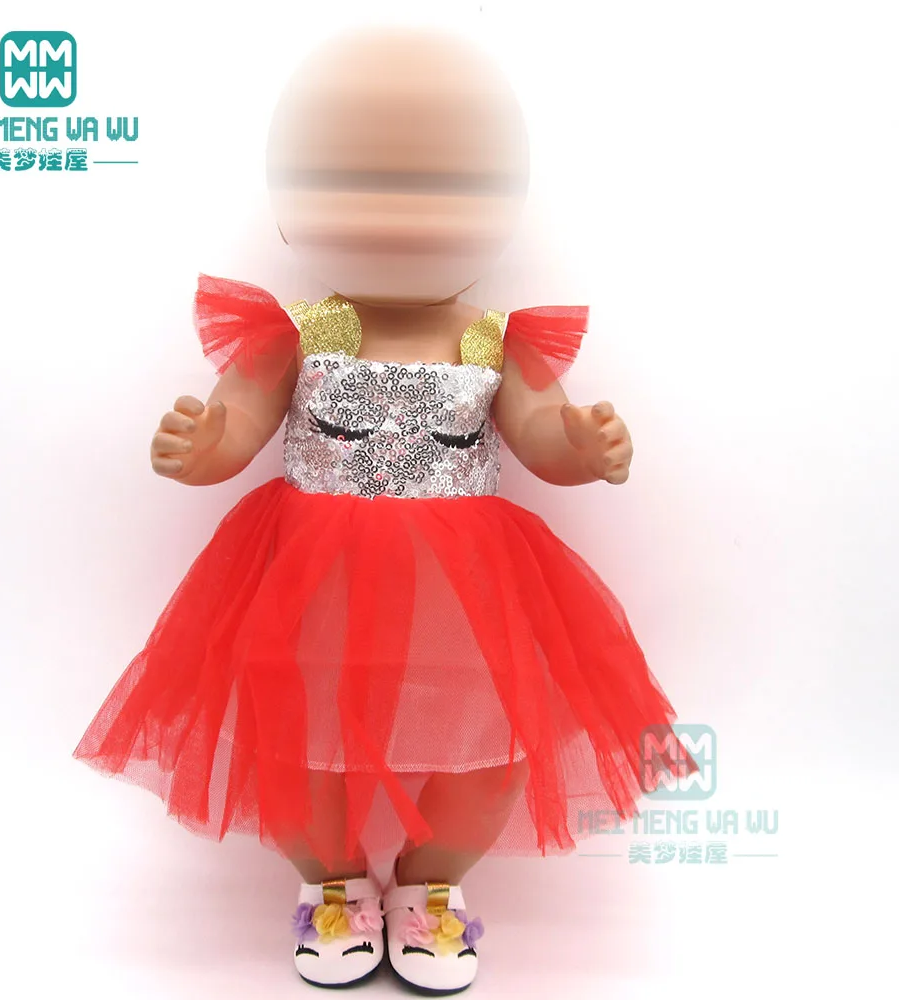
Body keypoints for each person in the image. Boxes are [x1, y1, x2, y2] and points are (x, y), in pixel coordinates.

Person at [73, 26, 692, 994]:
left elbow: (538, 431)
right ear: (292, 200)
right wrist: (203, 446)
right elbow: (240, 420)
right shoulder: (299, 330)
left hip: (462, 591)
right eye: (358, 182)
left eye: (443, 188)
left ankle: (430, 884)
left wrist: (582, 447)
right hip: (308, 582)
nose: (401, 220)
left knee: (487, 753)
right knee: (297, 745)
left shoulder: (494, 338)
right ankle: (331, 884)